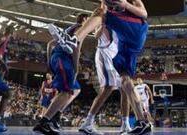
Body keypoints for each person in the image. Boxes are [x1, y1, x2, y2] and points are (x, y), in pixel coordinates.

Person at [48, 0, 151, 134]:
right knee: (125, 82)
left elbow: (144, 13)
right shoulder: (110, 10)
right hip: (125, 45)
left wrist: (125, 5)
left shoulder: (130, 2)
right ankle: (142, 122)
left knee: (102, 14)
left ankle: (74, 39)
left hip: (136, 28)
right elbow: (99, 24)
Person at [33, 14, 88, 135]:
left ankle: (56, 114)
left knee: (76, 89)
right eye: (89, 20)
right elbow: (76, 49)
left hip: (56, 59)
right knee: (67, 92)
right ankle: (45, 121)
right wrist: (76, 67)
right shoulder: (81, 28)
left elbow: (49, 45)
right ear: (85, 20)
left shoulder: (69, 29)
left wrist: (49, 62)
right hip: (64, 60)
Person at [78, 13, 131, 134]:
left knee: (125, 88)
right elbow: (96, 35)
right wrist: (102, 25)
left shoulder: (120, 20)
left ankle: (125, 124)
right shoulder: (102, 17)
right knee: (108, 88)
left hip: (116, 54)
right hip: (105, 54)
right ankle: (88, 122)